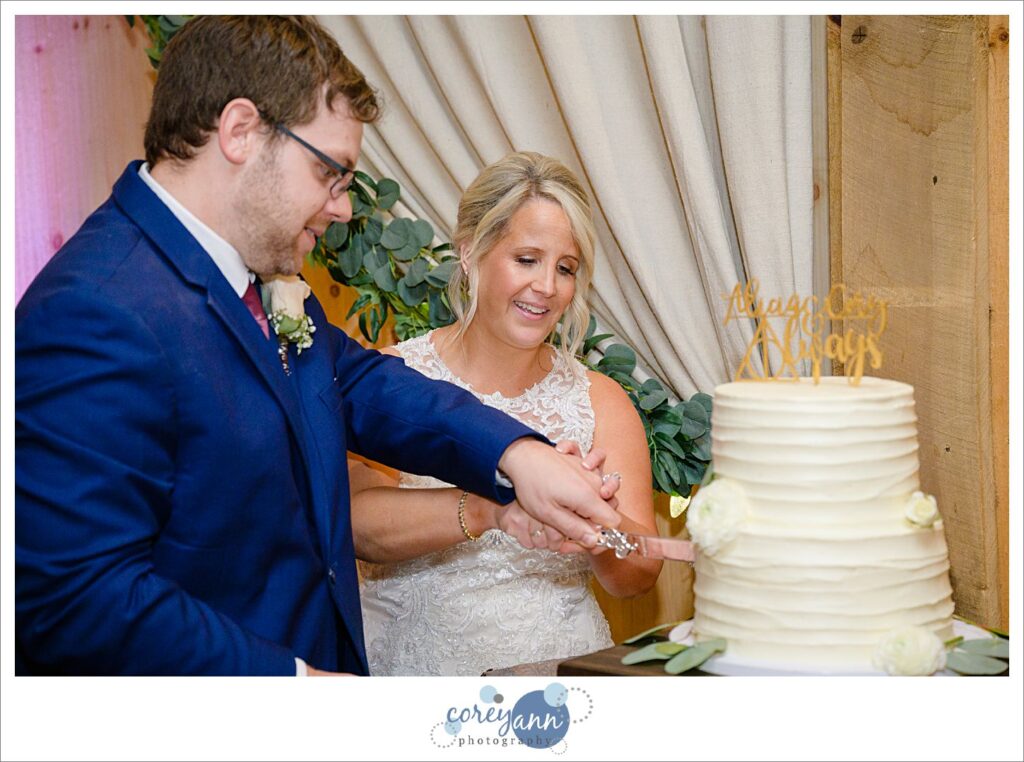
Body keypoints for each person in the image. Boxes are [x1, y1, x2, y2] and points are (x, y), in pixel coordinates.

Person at [14, 16, 622, 676]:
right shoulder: (93, 310)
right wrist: (297, 685)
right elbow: (74, 598)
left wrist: (516, 454)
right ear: (240, 132)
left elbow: (363, 386)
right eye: (330, 172)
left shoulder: (262, 277)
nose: (343, 208)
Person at [352, 152, 662, 676]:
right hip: (417, 678)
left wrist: (596, 519)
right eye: (527, 259)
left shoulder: (600, 400)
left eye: (565, 268)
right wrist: (489, 506)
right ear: (470, 253)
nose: (547, 287)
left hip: (556, 682)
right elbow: (357, 526)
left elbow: (638, 577)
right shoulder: (390, 380)